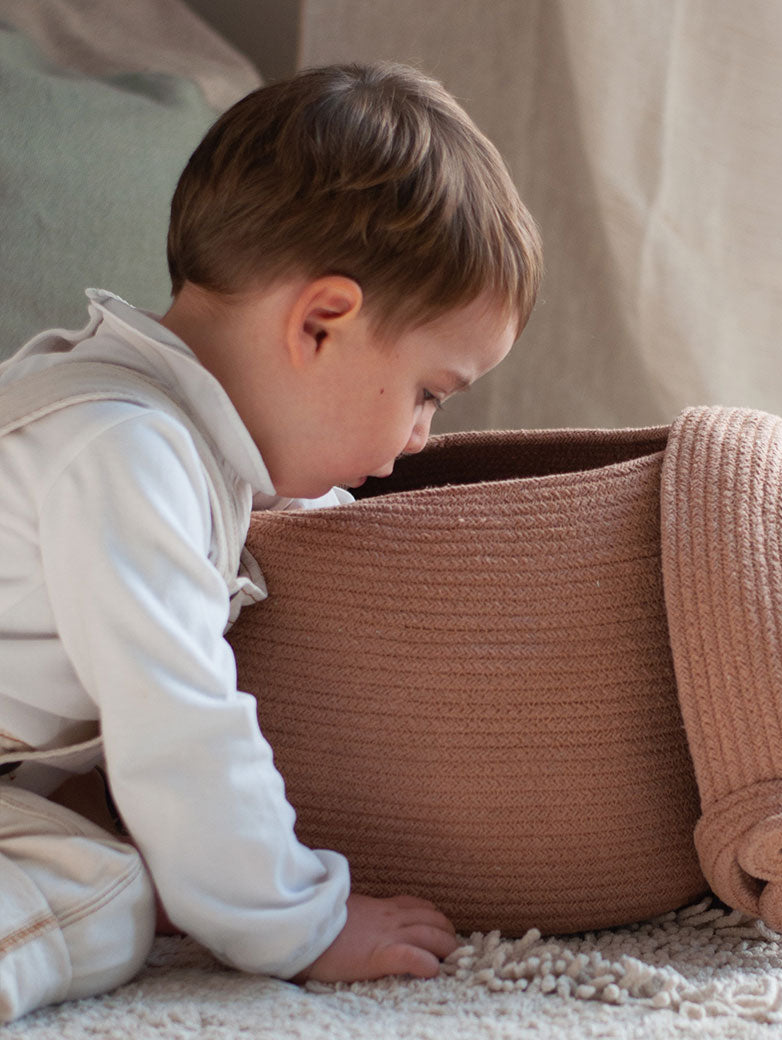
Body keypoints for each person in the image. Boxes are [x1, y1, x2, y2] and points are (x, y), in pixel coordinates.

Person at [0, 61, 542, 1022]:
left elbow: (314, 528)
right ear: (322, 324)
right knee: (104, 893)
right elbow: (180, 721)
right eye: (429, 392)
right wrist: (298, 920)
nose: (422, 436)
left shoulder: (163, 434)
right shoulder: (126, 455)